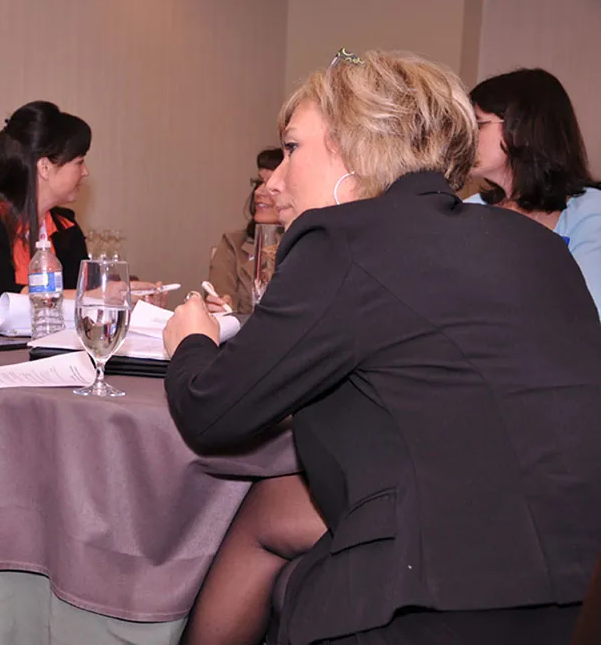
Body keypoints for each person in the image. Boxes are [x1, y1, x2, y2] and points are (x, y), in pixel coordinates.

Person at [163, 49, 601, 645]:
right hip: (578, 593)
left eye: (292, 149)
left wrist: (190, 339)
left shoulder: (345, 239)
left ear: (350, 147)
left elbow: (212, 412)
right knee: (274, 510)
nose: (273, 180)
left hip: (437, 605)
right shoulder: (536, 243)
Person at [0, 100, 166, 319]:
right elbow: (0, 301)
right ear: (44, 168)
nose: (85, 172)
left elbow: (82, 304)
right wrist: (94, 297)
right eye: (79, 162)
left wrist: (125, 298)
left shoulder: (65, 229)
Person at [467, 68, 601, 316]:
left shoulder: (591, 212)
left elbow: (590, 315)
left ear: (521, 129)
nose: (467, 137)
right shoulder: (469, 209)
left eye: (478, 124)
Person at [207, 148, 284, 314]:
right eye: (259, 182)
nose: (258, 192)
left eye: (270, 184)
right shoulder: (233, 243)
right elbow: (223, 295)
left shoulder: (313, 245)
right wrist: (222, 304)